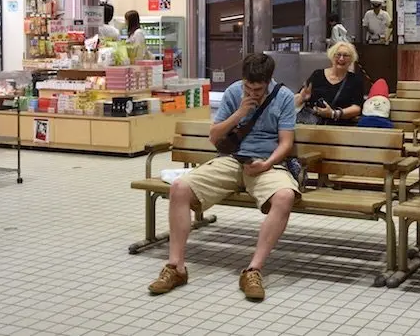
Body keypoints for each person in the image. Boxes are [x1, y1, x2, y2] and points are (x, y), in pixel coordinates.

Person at [147, 54, 299, 300]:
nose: (252, 93)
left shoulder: (283, 97)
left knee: (284, 196)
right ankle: (176, 267)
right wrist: (240, 112)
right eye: (248, 87)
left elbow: (286, 143)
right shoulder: (233, 93)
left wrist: (267, 164)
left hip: (266, 163)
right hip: (230, 160)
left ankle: (253, 270)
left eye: (258, 89)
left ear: (268, 81)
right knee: (179, 188)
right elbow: (215, 137)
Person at [295, 42, 364, 125]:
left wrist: (334, 114)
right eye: (338, 55)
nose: (341, 59)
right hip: (314, 126)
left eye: (346, 55)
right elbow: (297, 99)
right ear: (332, 56)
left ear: (351, 59)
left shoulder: (355, 80)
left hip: (341, 127)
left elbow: (356, 108)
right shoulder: (317, 75)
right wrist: (302, 98)